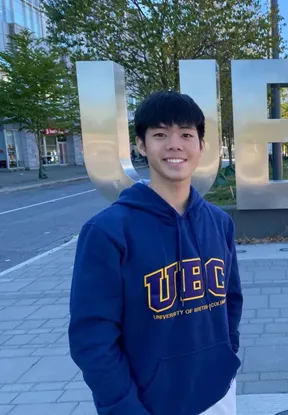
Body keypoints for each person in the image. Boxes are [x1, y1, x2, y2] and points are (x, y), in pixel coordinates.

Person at [68, 91, 243, 415]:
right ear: (141, 145)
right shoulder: (108, 231)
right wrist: (124, 407)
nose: (175, 145)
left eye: (186, 135)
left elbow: (231, 301)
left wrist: (227, 356)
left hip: (218, 394)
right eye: (160, 135)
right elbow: (92, 336)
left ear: (201, 145)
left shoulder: (219, 223)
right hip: (147, 404)